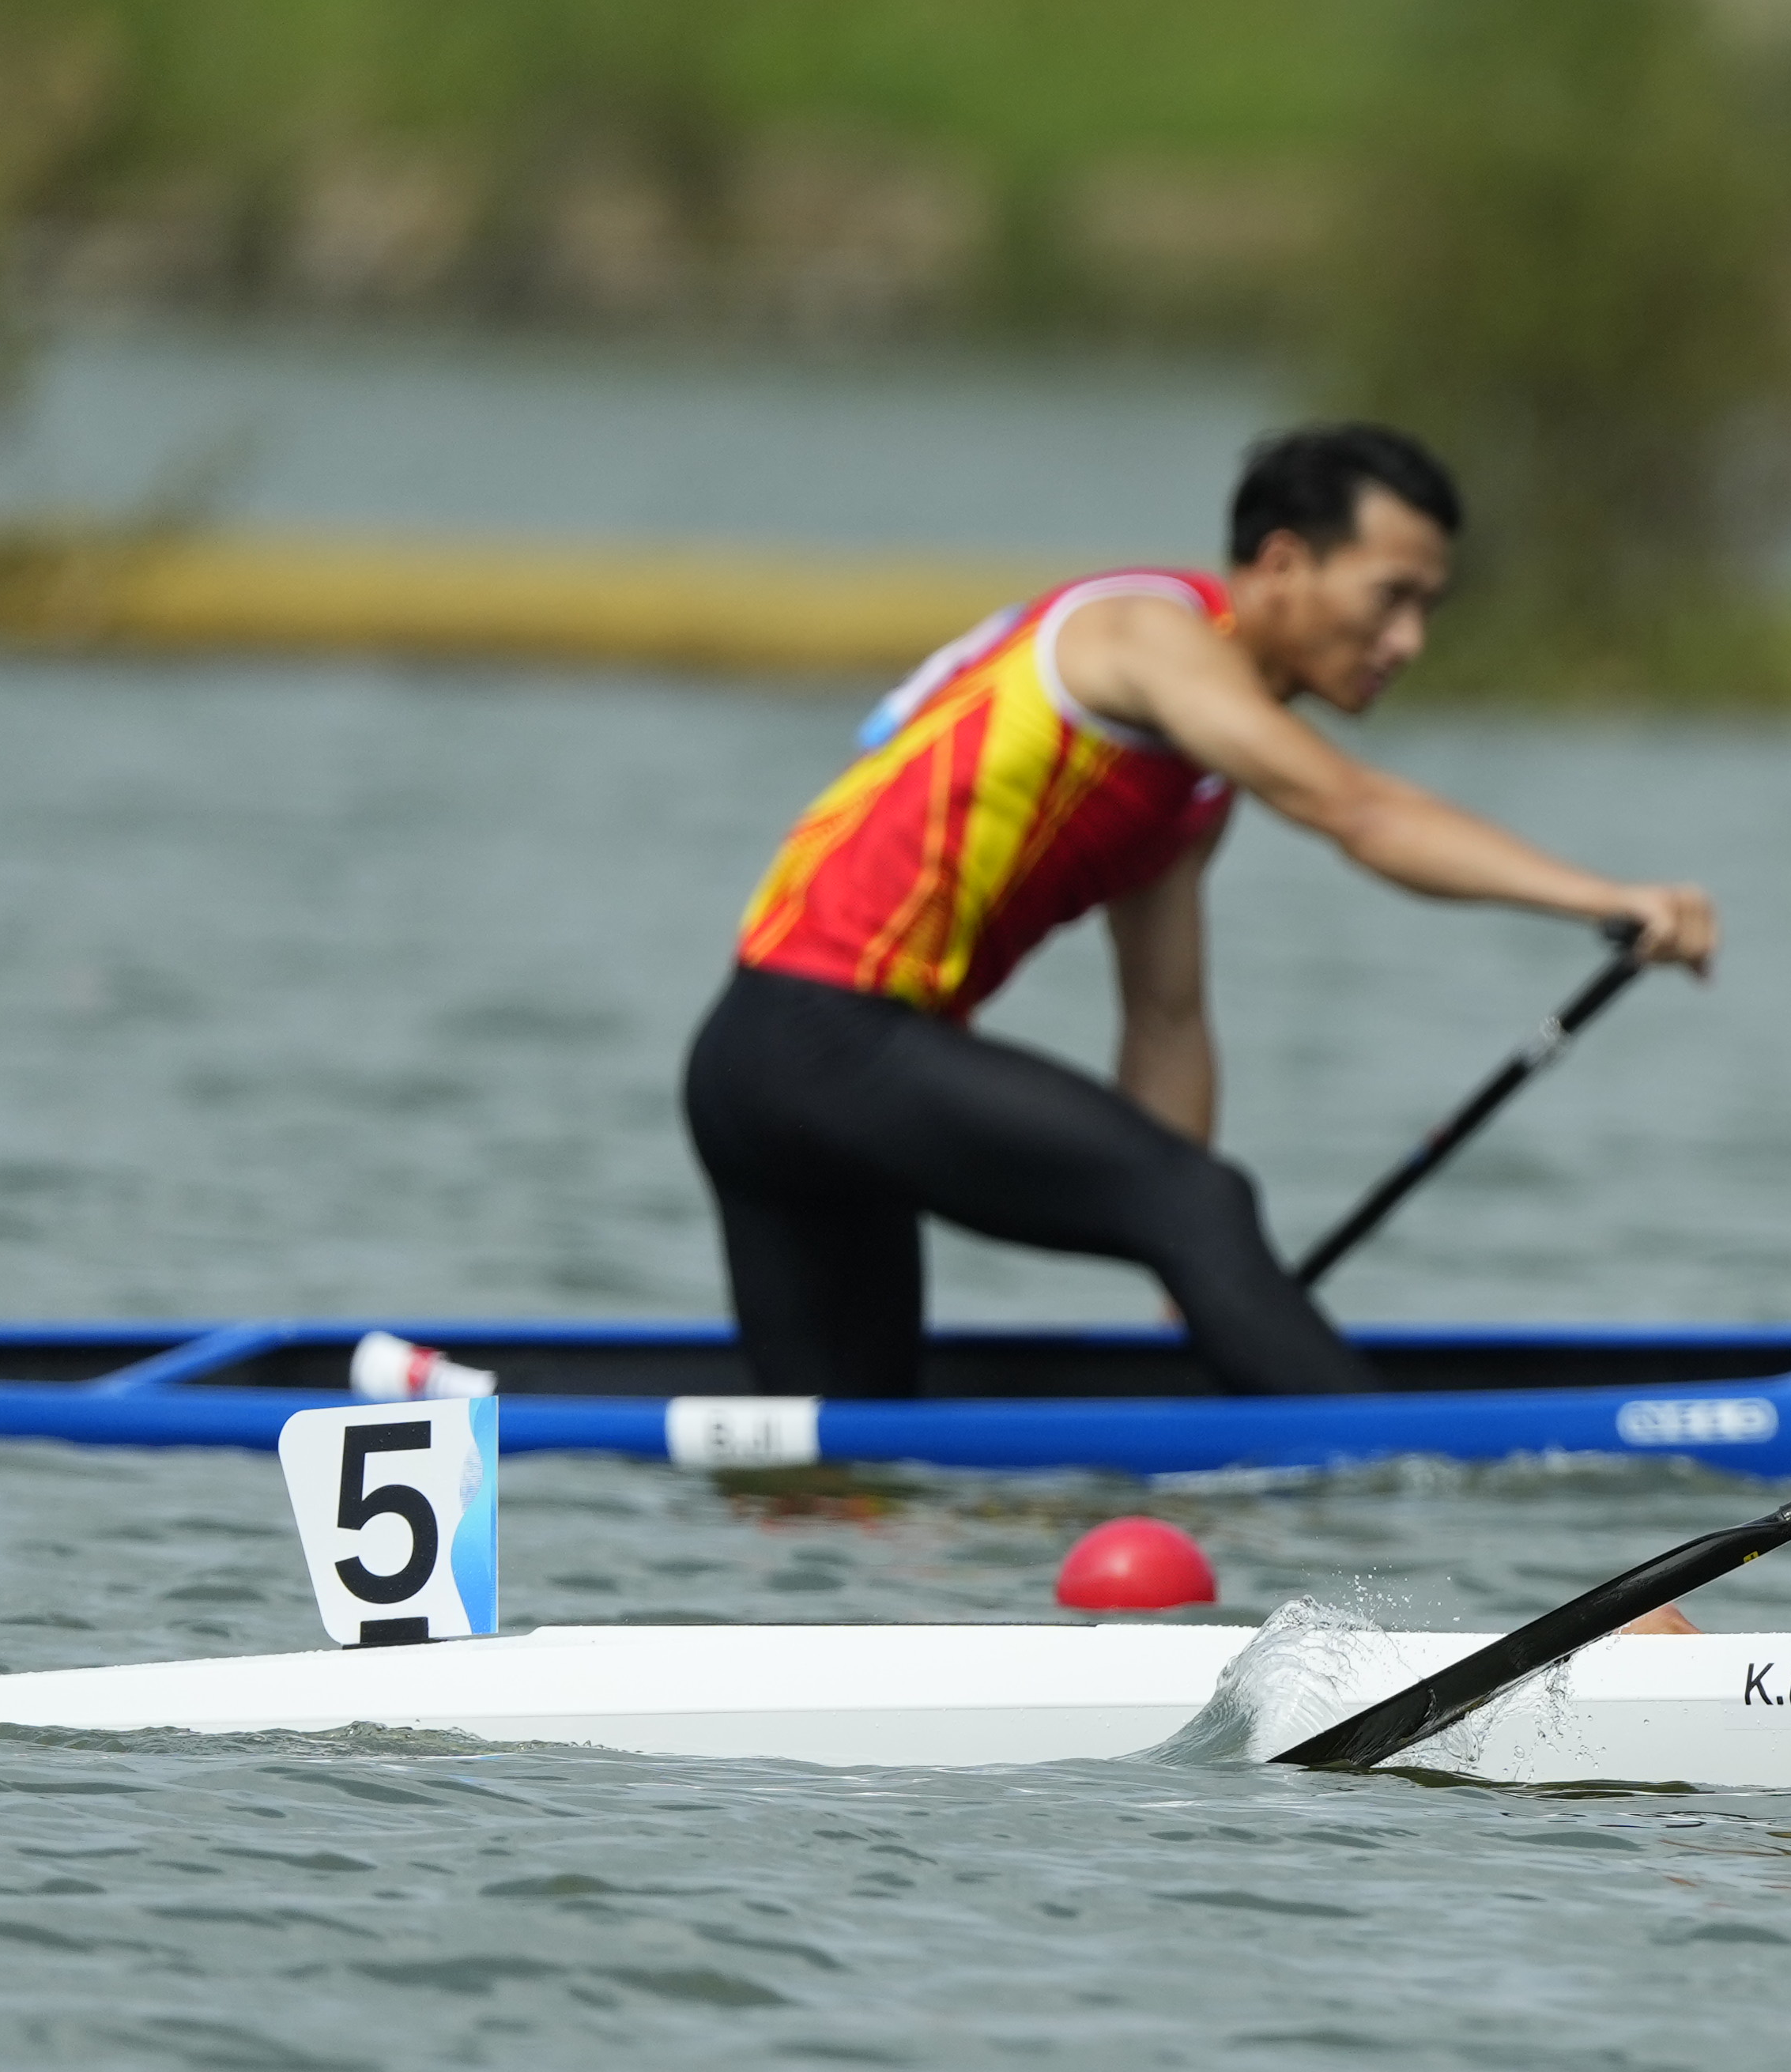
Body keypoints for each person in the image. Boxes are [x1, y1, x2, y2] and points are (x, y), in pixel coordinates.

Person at [683, 421, 1715, 1403]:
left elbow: (1165, 1016)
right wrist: (1607, 897)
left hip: (767, 1069)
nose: (1407, 640)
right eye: (1390, 597)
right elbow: (1356, 809)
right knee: (1205, 1199)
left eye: (1429, 610)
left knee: (835, 1465)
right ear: (1280, 566)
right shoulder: (1146, 639)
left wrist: (1185, 1266)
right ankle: (1393, 1485)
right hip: (823, 1042)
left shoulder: (1188, 772)